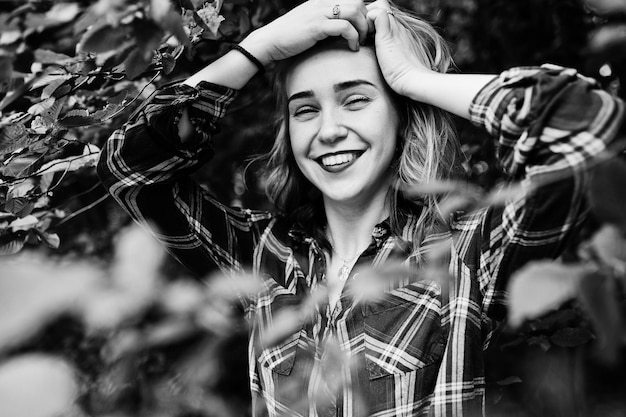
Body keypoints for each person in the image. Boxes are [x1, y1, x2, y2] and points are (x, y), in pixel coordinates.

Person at [97, 0, 626, 415]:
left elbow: (589, 129)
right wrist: (259, 48)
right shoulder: (260, 259)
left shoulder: (468, 250)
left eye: (356, 100)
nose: (327, 131)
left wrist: (416, 80)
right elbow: (130, 169)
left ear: (403, 117)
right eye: (305, 110)